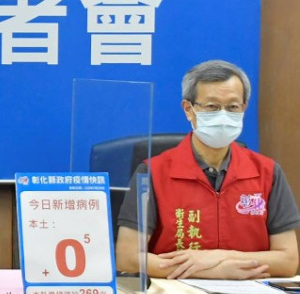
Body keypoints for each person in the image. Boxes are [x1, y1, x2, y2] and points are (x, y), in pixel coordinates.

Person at [116, 60, 300, 279]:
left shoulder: (267, 172)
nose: (223, 115)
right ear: (189, 109)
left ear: (244, 108)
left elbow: (288, 260)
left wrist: (221, 256)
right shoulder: (153, 172)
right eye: (212, 106)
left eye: (233, 107)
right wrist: (215, 271)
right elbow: (128, 257)